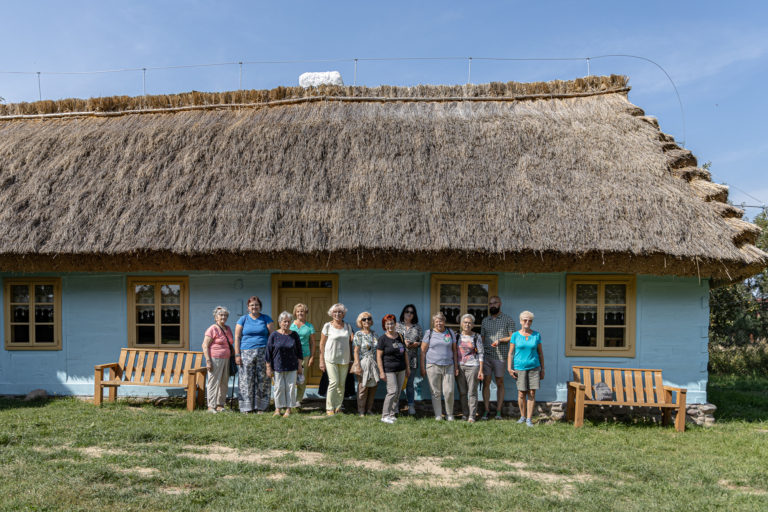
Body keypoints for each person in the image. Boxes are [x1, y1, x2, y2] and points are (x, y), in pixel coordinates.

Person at [234, 296, 275, 413]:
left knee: (263, 380)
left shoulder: (266, 318)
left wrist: (271, 354)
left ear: (260, 306)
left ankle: (261, 407)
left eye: (256, 305)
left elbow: (273, 337)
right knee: (246, 380)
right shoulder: (243, 319)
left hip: (263, 352)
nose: (254, 307)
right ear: (248, 307)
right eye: (252, 305)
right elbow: (237, 337)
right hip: (246, 353)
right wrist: (237, 355)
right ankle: (246, 407)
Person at [480, 296, 516, 420]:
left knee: (500, 383)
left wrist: (500, 340)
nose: (492, 305)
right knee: (486, 383)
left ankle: (499, 411)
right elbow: (482, 339)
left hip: (500, 356)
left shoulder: (508, 320)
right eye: (490, 304)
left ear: (500, 304)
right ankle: (486, 410)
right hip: (486, 357)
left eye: (494, 303)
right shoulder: (485, 320)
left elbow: (513, 337)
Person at [508, 311, 545, 427]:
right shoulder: (515, 335)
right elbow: (510, 353)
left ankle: (529, 419)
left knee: (532, 393)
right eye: (525, 320)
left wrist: (543, 369)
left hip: (534, 367)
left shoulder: (536, 335)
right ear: (520, 321)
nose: (527, 322)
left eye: (529, 320)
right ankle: (522, 416)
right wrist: (509, 368)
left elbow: (540, 353)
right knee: (521, 393)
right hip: (520, 368)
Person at [421, 312, 458, 421]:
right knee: (435, 392)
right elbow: (423, 351)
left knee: (449, 391)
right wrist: (423, 367)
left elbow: (454, 350)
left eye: (441, 321)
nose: (439, 323)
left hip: (449, 366)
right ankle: (438, 414)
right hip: (433, 365)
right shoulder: (429, 333)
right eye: (436, 321)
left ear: (444, 322)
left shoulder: (450, 332)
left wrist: (456, 366)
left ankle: (449, 414)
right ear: (433, 323)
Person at [265, 311, 304, 417]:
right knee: (278, 387)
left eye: (288, 321)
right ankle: (277, 409)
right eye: (284, 321)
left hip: (292, 366)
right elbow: (268, 352)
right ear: (279, 322)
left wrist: (299, 365)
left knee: (290, 387)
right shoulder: (274, 335)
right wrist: (268, 367)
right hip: (277, 366)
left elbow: (300, 352)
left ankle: (288, 409)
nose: (286, 324)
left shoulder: (294, 335)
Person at [319, 303, 354, 415]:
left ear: (343, 314)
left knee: (341, 384)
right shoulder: (327, 326)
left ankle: (338, 407)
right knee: (334, 382)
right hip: (330, 358)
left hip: (344, 359)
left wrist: (352, 360)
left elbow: (352, 343)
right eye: (335, 312)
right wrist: (321, 360)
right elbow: (321, 344)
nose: (337, 314)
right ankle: (329, 408)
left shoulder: (347, 326)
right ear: (331, 313)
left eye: (340, 312)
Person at [377, 314, 410, 424]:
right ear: (384, 325)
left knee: (398, 393)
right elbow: (378, 357)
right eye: (387, 324)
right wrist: (381, 372)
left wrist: (407, 368)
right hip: (389, 369)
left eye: (391, 323)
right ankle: (384, 415)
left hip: (401, 369)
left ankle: (392, 414)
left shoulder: (400, 336)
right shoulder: (382, 339)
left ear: (395, 324)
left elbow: (404, 353)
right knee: (392, 391)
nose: (390, 325)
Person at [202, 306, 233, 413]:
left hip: (226, 359)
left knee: (224, 382)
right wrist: (208, 361)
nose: (223, 317)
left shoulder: (228, 328)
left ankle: (220, 405)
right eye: (221, 315)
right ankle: (211, 406)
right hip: (215, 358)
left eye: (225, 315)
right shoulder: (212, 328)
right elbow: (205, 345)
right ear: (216, 317)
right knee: (214, 382)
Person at [456, 314, 484, 422]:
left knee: (472, 392)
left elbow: (481, 353)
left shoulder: (476, 336)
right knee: (462, 392)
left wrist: (481, 370)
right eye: (465, 322)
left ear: (472, 325)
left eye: (469, 322)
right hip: (460, 366)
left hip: (473, 366)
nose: (467, 324)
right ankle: (464, 413)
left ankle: (472, 415)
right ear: (462, 324)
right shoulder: (457, 335)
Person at [396, 304, 423, 415]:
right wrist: (403, 344)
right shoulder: (397, 326)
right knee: (397, 384)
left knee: (410, 385)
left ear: (414, 315)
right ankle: (395, 406)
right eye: (407, 311)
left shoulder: (417, 327)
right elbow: (391, 340)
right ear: (403, 312)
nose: (409, 314)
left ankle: (411, 406)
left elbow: (422, 342)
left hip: (412, 360)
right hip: (398, 360)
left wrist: (416, 344)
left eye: (412, 312)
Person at [289, 303, 316, 408]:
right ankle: (290, 400)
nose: (300, 313)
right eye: (298, 311)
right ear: (295, 313)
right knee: (290, 378)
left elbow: (313, 342)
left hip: (305, 355)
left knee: (301, 379)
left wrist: (312, 357)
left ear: (306, 313)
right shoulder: (290, 324)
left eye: (302, 311)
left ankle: (298, 400)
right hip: (291, 355)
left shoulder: (309, 326)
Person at [353, 311, 379, 416]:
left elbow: (378, 350)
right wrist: (357, 365)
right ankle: (361, 410)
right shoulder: (358, 334)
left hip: (373, 362)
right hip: (363, 362)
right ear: (360, 321)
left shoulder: (374, 334)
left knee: (373, 387)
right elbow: (355, 351)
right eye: (364, 319)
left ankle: (369, 409)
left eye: (368, 318)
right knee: (363, 386)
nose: (366, 321)